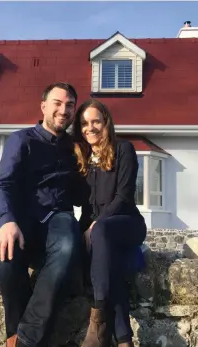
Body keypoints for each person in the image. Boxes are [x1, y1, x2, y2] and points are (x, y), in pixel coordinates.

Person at [0, 82, 83, 347]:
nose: (63, 110)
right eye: (57, 103)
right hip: (23, 219)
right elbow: (2, 185)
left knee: (68, 247)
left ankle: (25, 341)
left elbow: (83, 195)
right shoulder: (21, 140)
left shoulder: (75, 148)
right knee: (5, 256)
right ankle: (14, 335)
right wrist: (6, 221)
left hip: (59, 219)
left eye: (69, 105)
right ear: (43, 106)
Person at [72, 99, 147, 347]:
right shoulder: (82, 158)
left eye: (95, 121)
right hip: (99, 234)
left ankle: (98, 318)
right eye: (84, 123)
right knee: (108, 264)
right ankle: (124, 340)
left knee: (101, 232)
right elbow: (82, 207)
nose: (89, 128)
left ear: (106, 123)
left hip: (126, 224)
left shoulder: (124, 149)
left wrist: (95, 226)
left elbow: (124, 197)